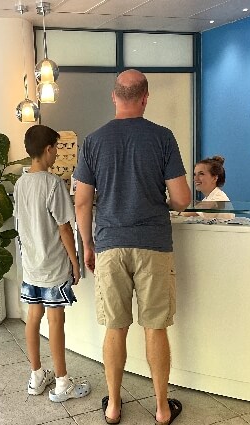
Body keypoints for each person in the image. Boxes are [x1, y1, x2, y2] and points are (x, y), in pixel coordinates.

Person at [74, 69, 190, 425]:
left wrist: (88, 245)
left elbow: (81, 202)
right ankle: (160, 408)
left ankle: (113, 407)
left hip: (110, 245)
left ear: (114, 97)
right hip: (153, 243)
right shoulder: (163, 137)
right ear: (145, 97)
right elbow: (183, 199)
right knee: (155, 327)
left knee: (115, 327)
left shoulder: (93, 141)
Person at [13, 125, 91, 403]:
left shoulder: (20, 184)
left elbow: (21, 224)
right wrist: (76, 261)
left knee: (33, 318)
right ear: (48, 149)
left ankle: (36, 376)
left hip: (32, 265)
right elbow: (64, 229)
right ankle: (62, 383)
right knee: (56, 321)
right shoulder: (53, 184)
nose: (58, 153)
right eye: (57, 148)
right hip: (54, 265)